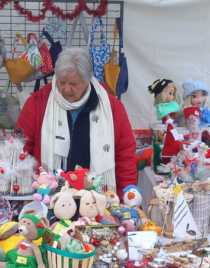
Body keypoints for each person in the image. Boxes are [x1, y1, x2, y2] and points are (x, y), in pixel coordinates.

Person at [15, 47, 137, 198]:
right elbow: (20, 151)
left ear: (87, 81)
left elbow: (125, 157)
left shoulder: (112, 108)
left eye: (74, 84)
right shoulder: (37, 103)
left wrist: (126, 198)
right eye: (61, 82)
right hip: (47, 198)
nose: (66, 89)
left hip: (97, 202)